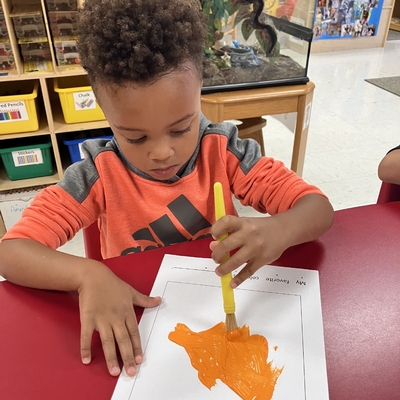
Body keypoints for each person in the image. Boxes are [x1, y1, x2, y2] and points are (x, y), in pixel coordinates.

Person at [0, 0, 334, 379]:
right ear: (103, 109)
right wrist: (86, 275)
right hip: (140, 322)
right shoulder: (97, 173)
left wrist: (279, 229)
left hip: (215, 308)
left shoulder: (223, 151)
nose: (161, 152)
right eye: (135, 137)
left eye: (180, 128)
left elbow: (318, 210)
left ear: (199, 89)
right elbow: (11, 252)